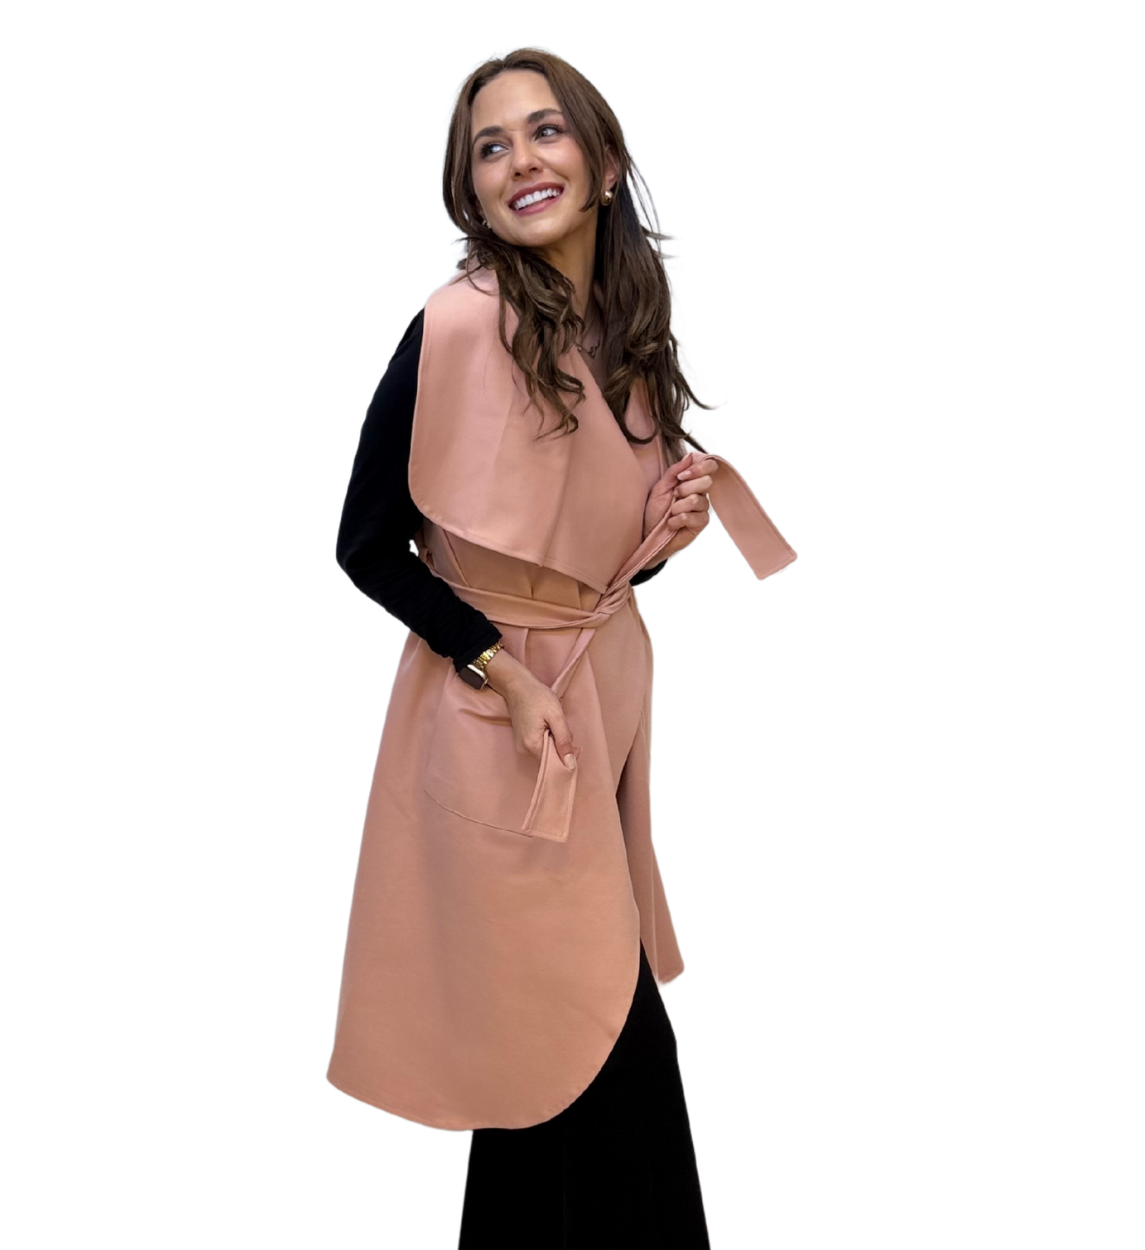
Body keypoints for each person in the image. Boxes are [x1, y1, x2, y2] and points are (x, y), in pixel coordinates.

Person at [327, 47, 797, 1247]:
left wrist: (660, 539)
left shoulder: (623, 328)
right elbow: (367, 544)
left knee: (553, 1052)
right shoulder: (454, 327)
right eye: (490, 146)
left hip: (598, 715)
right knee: (580, 1036)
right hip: (501, 728)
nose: (520, 159)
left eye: (545, 131)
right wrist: (501, 670)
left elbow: (577, 561)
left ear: (603, 162)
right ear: (471, 191)